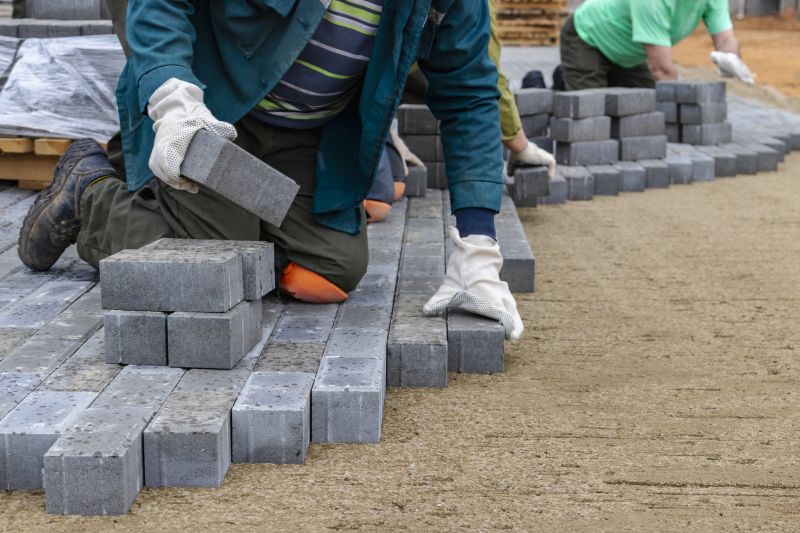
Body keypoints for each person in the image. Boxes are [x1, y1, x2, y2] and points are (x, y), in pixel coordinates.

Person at [17, 0, 524, 339]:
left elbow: (470, 94)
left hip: (313, 135)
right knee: (213, 263)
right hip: (213, 112)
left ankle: (221, 217)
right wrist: (173, 100)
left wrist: (477, 248)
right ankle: (90, 192)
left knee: (328, 275)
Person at [559, 0, 755, 91]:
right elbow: (662, 71)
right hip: (589, 36)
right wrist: (683, 110)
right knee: (589, 115)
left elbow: (725, 38)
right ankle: (564, 79)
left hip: (629, 54)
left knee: (645, 109)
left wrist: (731, 58)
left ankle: (570, 76)